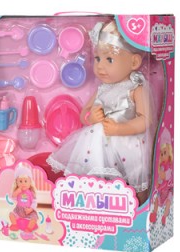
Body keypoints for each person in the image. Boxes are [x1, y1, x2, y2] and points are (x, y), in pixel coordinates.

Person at [47, 20, 150, 193]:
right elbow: (84, 113)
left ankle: (133, 202)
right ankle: (94, 198)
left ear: (134, 62)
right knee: (93, 176)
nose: (100, 66)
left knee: (131, 182)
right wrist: (91, 117)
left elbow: (145, 120)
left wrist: (120, 129)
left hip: (125, 144)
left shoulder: (136, 89)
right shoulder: (102, 89)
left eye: (109, 59)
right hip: (95, 146)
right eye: (97, 58)